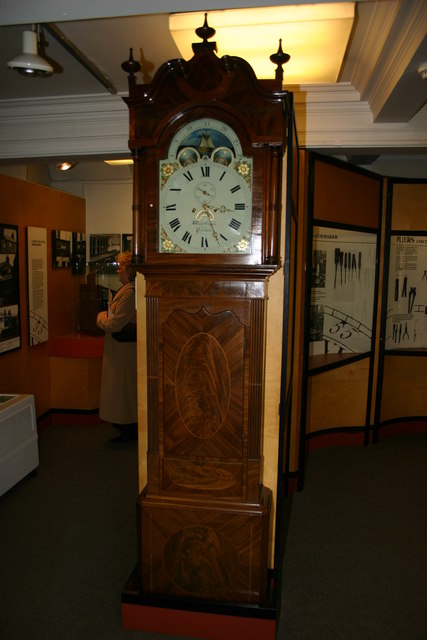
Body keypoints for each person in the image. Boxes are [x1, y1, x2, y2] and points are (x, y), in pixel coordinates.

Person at [96, 252, 137, 443]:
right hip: (120, 351)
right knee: (122, 391)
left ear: (129, 270)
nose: (117, 270)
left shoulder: (129, 292)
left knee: (124, 392)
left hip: (123, 352)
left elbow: (115, 323)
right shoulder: (127, 290)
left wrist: (100, 317)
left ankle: (128, 427)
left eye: (120, 266)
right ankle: (126, 427)